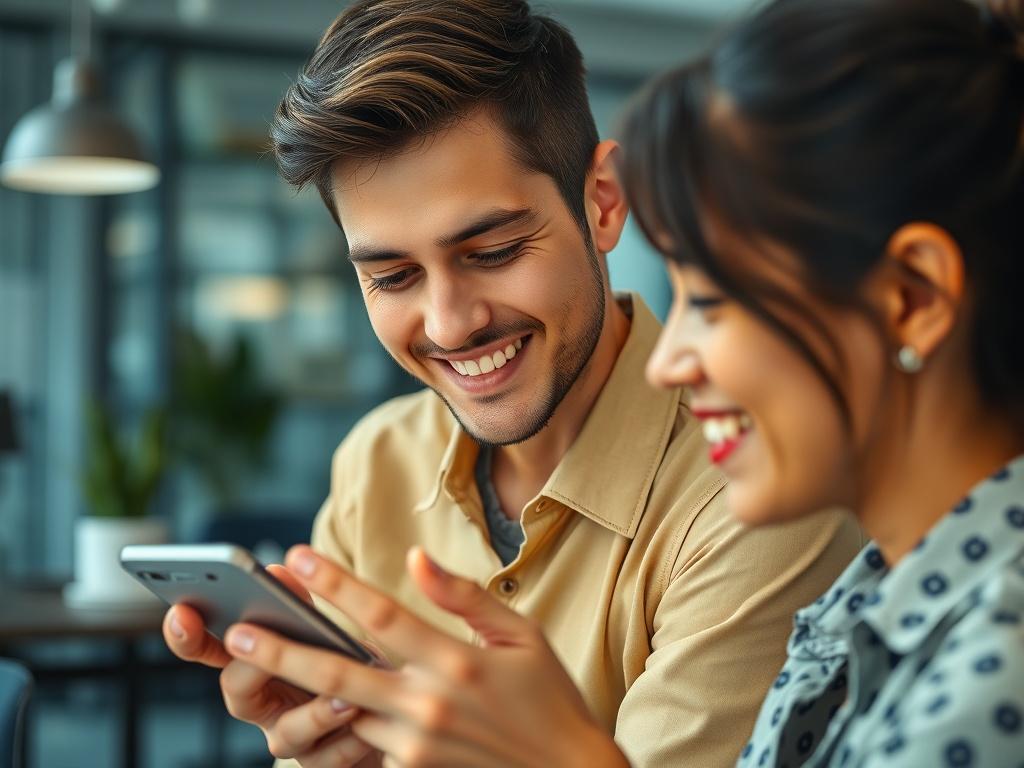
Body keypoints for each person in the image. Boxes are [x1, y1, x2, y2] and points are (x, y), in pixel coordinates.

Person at [189, 0, 1024, 765]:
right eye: (393, 276)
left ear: (601, 202)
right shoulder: (873, 602)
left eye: (494, 252)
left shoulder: (781, 502)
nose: (449, 325)